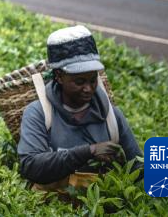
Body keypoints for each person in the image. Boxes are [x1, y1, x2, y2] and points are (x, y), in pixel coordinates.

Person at [18, 25, 142, 192]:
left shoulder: (112, 116)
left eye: (92, 80)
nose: (88, 89)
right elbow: (31, 166)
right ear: (59, 76)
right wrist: (89, 151)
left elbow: (138, 168)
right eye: (79, 82)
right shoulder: (39, 113)